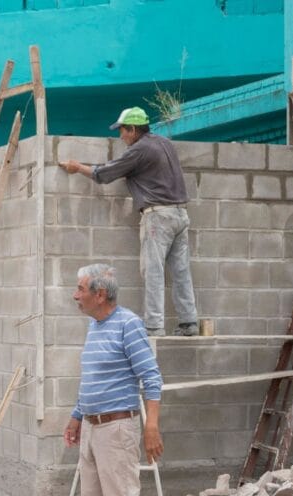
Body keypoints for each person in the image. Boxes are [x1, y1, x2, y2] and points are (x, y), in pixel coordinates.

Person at [63, 263, 163, 496]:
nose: (75, 295)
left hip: (117, 428)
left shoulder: (128, 325)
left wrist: (151, 425)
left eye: (81, 289)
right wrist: (77, 417)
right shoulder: (94, 326)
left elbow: (151, 377)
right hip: (92, 426)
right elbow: (91, 379)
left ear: (100, 294)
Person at [59, 106, 199, 337]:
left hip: (158, 217)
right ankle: (189, 322)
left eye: (122, 130)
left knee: (153, 271)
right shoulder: (163, 143)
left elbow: (104, 174)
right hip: (180, 215)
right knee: (181, 271)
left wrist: (78, 167)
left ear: (133, 129)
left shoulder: (140, 149)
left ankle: (154, 326)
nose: (121, 136)